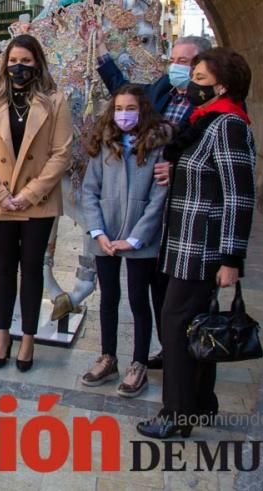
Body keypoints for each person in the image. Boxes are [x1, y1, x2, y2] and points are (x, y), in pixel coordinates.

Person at [137, 49, 256, 439]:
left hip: (201, 250)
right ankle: (201, 402)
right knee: (194, 326)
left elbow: (239, 195)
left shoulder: (228, 126)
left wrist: (231, 258)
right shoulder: (206, 123)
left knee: (174, 326)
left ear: (220, 85)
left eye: (200, 79)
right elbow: (206, 178)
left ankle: (177, 413)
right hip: (185, 245)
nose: (191, 86)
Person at [96, 35, 212, 369]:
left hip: (180, 204)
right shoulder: (163, 88)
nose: (177, 67)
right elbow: (126, 94)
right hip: (146, 202)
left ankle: (173, 353)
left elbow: (206, 149)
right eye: (173, 59)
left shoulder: (207, 106)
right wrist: (102, 54)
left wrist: (176, 166)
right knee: (149, 287)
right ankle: (156, 351)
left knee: (164, 288)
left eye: (186, 61)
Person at [0, 34, 74, 372]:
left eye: (26, 61)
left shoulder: (55, 102)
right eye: (14, 60)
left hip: (38, 201)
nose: (19, 67)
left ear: (38, 64)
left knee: (31, 269)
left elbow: (61, 154)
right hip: (0, 199)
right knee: (4, 268)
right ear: (5, 65)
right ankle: (2, 335)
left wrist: (28, 195)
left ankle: (28, 338)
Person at [79, 85, 171, 397]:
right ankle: (108, 356)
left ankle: (139, 362)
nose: (124, 115)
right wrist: (97, 232)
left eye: (130, 108)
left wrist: (135, 238)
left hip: (139, 239)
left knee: (138, 299)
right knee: (108, 297)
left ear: (142, 110)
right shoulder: (105, 144)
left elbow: (160, 198)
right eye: (118, 108)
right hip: (105, 235)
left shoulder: (158, 146)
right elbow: (89, 190)